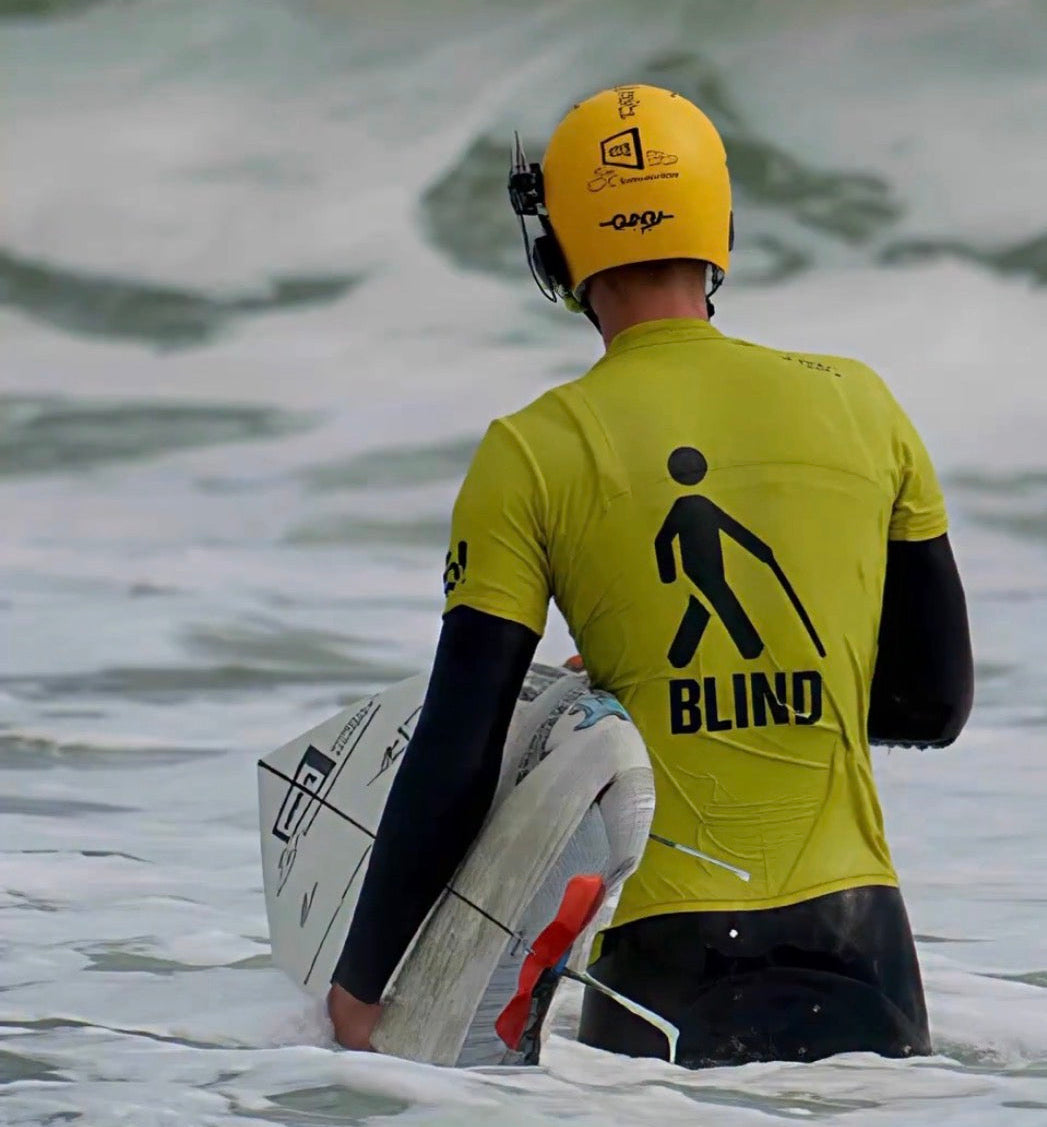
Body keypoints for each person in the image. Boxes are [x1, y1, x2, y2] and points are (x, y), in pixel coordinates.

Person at [326, 84, 973, 1066]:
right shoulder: (863, 405)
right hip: (864, 950)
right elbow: (933, 703)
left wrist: (360, 986)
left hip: (661, 962)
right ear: (722, 230)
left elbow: (459, 752)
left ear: (556, 253)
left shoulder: (533, 452)